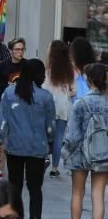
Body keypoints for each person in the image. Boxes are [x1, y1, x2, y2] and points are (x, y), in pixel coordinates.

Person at [0, 59, 55, 219]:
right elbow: (50, 125)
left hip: (15, 146)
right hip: (37, 147)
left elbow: (2, 120)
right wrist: (50, 142)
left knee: (15, 186)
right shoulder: (45, 96)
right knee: (35, 187)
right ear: (37, 74)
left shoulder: (10, 92)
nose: (44, 76)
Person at [60, 62, 108, 219]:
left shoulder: (81, 102)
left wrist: (66, 153)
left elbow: (72, 135)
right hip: (103, 154)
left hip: (80, 154)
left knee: (77, 192)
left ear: (88, 80)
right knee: (99, 195)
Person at [0, 37, 27, 180]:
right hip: (5, 104)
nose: (20, 52)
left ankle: (20, 169)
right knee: (1, 136)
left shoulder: (27, 65)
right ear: (10, 51)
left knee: (20, 136)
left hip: (23, 106)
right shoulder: (4, 66)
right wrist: (7, 87)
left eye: (22, 49)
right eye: (17, 49)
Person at [43, 40, 73, 178]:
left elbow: (43, 87)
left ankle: (44, 158)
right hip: (62, 106)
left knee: (44, 133)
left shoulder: (48, 68)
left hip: (49, 104)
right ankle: (55, 168)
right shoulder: (69, 69)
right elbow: (74, 90)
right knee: (59, 137)